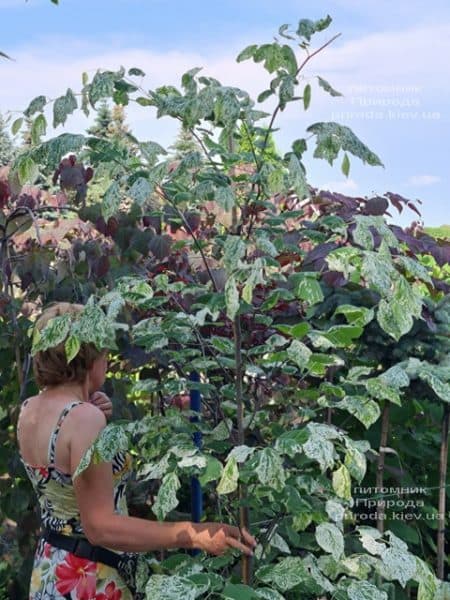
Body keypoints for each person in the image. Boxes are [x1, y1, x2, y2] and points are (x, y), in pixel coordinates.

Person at [17, 302, 256, 599]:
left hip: (53, 570)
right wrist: (194, 534)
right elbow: (100, 528)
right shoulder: (83, 419)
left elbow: (61, 475)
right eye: (105, 349)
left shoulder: (30, 410)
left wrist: (89, 407)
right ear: (90, 354)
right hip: (91, 577)